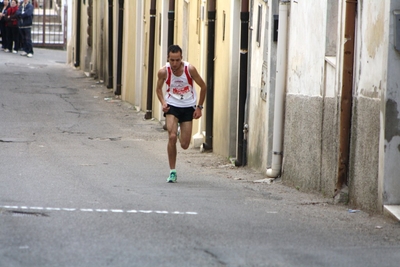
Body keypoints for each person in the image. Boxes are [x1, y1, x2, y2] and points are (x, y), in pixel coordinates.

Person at [156, 45, 207, 183]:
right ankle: (172, 171)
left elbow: (203, 86)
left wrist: (199, 107)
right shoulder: (163, 72)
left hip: (187, 106)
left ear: (181, 58)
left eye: (177, 60)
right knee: (171, 137)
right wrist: (163, 103)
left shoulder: (189, 70)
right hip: (172, 105)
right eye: (172, 60)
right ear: (168, 58)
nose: (174, 64)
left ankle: (178, 130)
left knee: (184, 144)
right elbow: (158, 89)